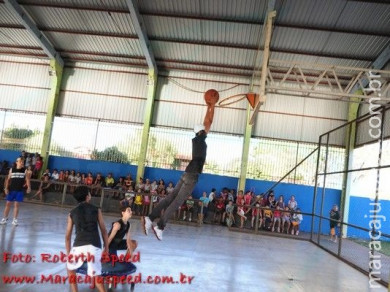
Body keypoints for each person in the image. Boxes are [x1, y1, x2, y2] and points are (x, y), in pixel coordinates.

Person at [142, 90, 217, 240]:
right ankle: (160, 226)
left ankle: (150, 218)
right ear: (201, 131)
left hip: (186, 174)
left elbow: (207, 121)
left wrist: (210, 107)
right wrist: (212, 106)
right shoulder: (201, 139)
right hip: (192, 176)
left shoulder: (197, 139)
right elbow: (209, 122)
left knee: (170, 198)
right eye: (204, 129)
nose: (206, 129)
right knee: (176, 202)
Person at [65, 186, 109, 292]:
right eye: (89, 193)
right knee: (96, 276)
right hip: (95, 245)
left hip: (79, 245)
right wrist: (106, 248)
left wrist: (68, 254)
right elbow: (104, 230)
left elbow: (67, 237)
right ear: (87, 197)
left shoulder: (72, 213)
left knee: (70, 268)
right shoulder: (96, 209)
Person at [0, 157, 31, 226]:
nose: (22, 163)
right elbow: (8, 180)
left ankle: (15, 220)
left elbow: (27, 180)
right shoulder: (12, 170)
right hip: (11, 190)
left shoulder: (25, 171)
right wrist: (6, 188)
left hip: (19, 190)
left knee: (16, 205)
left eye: (23, 162)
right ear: (17, 162)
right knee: (8, 204)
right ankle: (4, 218)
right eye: (20, 161)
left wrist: (29, 187)